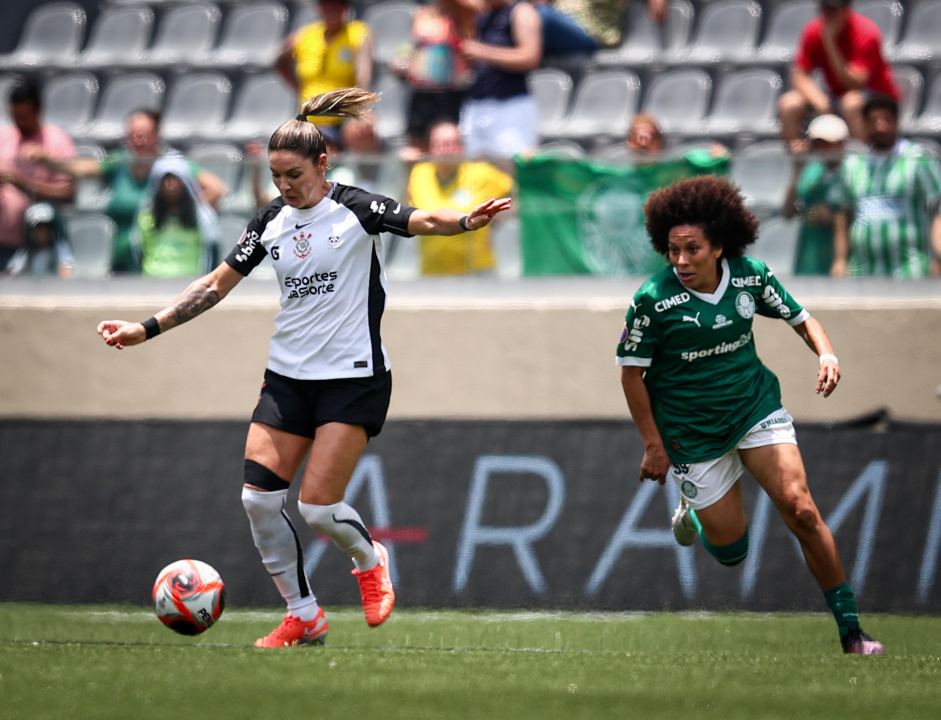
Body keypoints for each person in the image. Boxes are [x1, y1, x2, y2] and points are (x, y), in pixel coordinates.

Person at [97, 88, 511, 648]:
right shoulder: (271, 221)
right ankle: (304, 614)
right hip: (288, 378)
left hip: (353, 378)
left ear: (323, 163)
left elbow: (422, 219)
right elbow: (214, 285)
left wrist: (464, 222)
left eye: (293, 174)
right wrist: (146, 327)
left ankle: (369, 560)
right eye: (275, 176)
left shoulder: (357, 208)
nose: (284, 186)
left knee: (317, 507)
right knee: (257, 500)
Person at [616, 175, 884, 655]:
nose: (681, 261)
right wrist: (654, 445)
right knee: (732, 551)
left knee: (801, 509)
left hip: (753, 406)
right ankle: (694, 515)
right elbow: (631, 376)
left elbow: (801, 319)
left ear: (719, 246)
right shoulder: (652, 302)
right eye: (673, 250)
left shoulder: (750, 275)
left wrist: (826, 354)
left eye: (692, 248)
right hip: (692, 433)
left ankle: (851, 632)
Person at [25, 109, 227, 274]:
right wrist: (47, 159)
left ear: (157, 136)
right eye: (133, 136)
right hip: (121, 260)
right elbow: (82, 169)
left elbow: (217, 189)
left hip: (156, 263)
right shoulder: (120, 161)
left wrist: (177, 209)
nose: (138, 141)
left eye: (144, 136)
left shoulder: (172, 165)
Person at [832, 95, 941, 278]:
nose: (880, 126)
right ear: (864, 124)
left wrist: (939, 257)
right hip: (861, 271)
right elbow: (843, 215)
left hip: (910, 270)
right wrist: (840, 260)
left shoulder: (918, 159)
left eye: (886, 120)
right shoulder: (852, 165)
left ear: (897, 122)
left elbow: (937, 210)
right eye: (873, 121)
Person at [778, 0, 899, 144]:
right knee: (789, 103)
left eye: (834, 10)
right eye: (825, 8)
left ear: (846, 9)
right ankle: (797, 162)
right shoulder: (814, 30)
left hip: (875, 96)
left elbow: (854, 83)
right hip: (836, 96)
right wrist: (820, 102)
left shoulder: (865, 31)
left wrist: (830, 43)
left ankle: (858, 162)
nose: (828, 14)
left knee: (851, 103)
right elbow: (799, 75)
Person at [407, 120, 513, 274]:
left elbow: (515, 193)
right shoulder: (419, 173)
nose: (446, 149)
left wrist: (495, 218)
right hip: (433, 272)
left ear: (461, 146)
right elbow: (407, 207)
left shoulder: (480, 173)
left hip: (476, 270)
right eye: (440, 144)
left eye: (452, 143)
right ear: (430, 147)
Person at [276, 0, 379, 154]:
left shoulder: (357, 34)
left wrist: (363, 110)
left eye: (337, 5)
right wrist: (299, 89)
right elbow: (280, 63)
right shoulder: (305, 36)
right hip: (311, 119)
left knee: (361, 131)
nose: (332, 9)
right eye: (327, 5)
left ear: (346, 8)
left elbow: (363, 75)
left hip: (343, 117)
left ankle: (366, 178)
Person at [0, 78, 75, 272]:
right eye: (15, 115)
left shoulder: (57, 142)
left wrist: (21, 182)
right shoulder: (3, 137)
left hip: (35, 248)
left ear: (39, 111)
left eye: (25, 115)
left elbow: (68, 193)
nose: (19, 122)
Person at [389, 0, 479, 160]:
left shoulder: (461, 12)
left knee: (450, 145)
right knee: (417, 152)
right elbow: (415, 47)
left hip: (451, 91)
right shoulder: (421, 13)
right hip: (422, 91)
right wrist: (405, 62)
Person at [458, 0, 543, 158]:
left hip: (510, 106)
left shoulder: (521, 12)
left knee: (513, 167)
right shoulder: (482, 16)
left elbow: (531, 57)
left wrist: (484, 53)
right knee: (476, 173)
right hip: (476, 105)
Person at [132, 155, 222, 278]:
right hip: (153, 281)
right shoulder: (147, 215)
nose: (170, 184)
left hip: (190, 280)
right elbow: (138, 249)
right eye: (165, 179)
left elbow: (211, 249)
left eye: (175, 179)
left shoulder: (202, 217)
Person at [782, 114, 849, 276]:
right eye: (819, 143)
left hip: (838, 264)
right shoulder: (810, 171)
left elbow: (849, 219)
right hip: (808, 261)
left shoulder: (852, 173)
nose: (823, 148)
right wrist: (797, 169)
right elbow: (788, 212)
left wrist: (840, 260)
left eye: (828, 143)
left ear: (842, 144)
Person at [3, 202, 73, 278]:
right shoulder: (25, 251)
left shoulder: (60, 247)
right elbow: (11, 272)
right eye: (38, 228)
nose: (43, 232)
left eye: (46, 227)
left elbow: (66, 271)